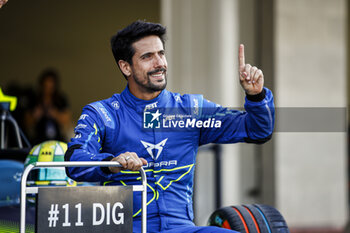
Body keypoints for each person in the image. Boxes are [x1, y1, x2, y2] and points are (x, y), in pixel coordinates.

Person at [65, 20, 275, 233]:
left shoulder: (191, 109)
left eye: (161, 54)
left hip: (181, 228)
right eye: (147, 57)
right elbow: (74, 161)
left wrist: (256, 96)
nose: (159, 63)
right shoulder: (102, 113)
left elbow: (257, 131)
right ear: (125, 66)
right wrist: (112, 162)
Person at [25, 69, 72, 144]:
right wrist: (36, 115)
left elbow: (67, 121)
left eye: (51, 84)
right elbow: (26, 123)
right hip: (39, 139)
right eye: (46, 84)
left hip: (58, 139)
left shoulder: (60, 100)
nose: (48, 87)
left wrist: (55, 114)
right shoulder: (34, 99)